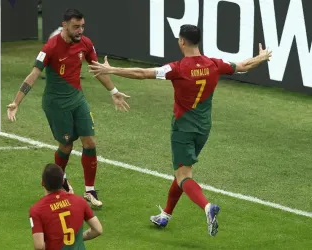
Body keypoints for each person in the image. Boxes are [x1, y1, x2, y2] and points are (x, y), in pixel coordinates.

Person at [88, 24, 272, 236]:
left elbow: (142, 73)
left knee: (184, 175)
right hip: (203, 128)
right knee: (182, 171)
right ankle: (165, 215)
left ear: (182, 41)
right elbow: (243, 66)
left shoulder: (178, 68)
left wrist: (111, 70)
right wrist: (261, 57)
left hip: (183, 128)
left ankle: (207, 207)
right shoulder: (214, 64)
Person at [7, 9, 130, 208]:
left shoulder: (85, 43)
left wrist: (113, 91)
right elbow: (33, 75)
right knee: (66, 146)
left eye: (82, 26)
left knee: (89, 142)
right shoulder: (51, 47)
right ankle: (58, 181)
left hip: (77, 99)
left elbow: (97, 69)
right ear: (64, 25)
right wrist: (16, 101)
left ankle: (90, 190)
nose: (80, 30)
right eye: (76, 27)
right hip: (56, 105)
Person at [29, 163, 103, 250]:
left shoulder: (36, 210)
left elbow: (39, 246)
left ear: (42, 182)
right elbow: (98, 230)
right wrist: (74, 239)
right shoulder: (79, 201)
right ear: (63, 182)